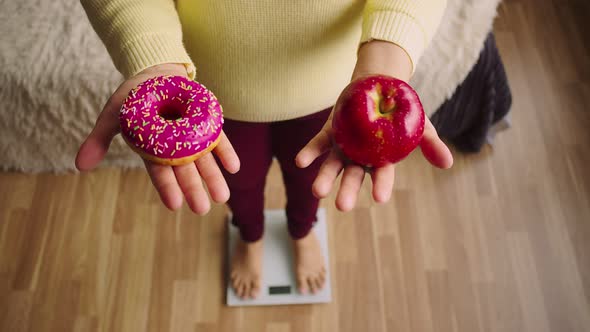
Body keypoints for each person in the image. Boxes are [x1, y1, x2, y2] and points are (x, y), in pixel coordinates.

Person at [76, 0, 454, 299]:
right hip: (213, 93)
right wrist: (151, 52)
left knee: (310, 180)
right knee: (238, 184)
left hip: (335, 95)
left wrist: (387, 53)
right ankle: (250, 234)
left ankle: (302, 231)